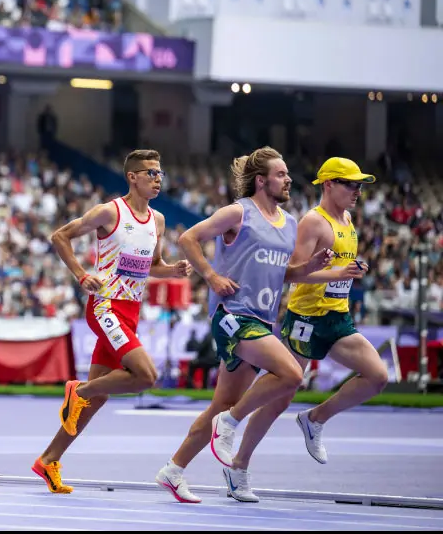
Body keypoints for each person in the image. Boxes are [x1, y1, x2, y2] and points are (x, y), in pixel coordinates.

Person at [154, 147, 332, 503]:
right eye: (281, 174)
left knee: (221, 404)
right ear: (262, 180)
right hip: (233, 315)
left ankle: (173, 471)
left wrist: (311, 266)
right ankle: (231, 424)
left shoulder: (290, 223)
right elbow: (188, 238)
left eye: (287, 174)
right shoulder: (238, 212)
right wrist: (211, 276)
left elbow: (286, 274)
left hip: (263, 320)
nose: (289, 180)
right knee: (291, 376)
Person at [32, 150, 192, 494]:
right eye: (151, 173)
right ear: (132, 177)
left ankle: (48, 459)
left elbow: (153, 266)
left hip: (131, 310)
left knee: (98, 399)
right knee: (145, 376)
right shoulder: (110, 212)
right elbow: (60, 236)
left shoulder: (158, 220)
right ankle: (79, 389)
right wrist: (79, 274)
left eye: (160, 173)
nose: (158, 178)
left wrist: (173, 271)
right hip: (105, 306)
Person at [226, 158, 385, 501]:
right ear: (328, 184)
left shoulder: (348, 220)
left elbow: (336, 268)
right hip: (306, 319)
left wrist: (352, 269)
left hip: (337, 318)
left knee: (378, 376)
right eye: (350, 184)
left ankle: (315, 418)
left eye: (360, 185)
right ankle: (237, 464)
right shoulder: (313, 222)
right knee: (278, 398)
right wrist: (336, 275)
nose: (357, 191)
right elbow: (292, 272)